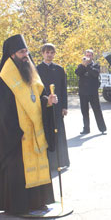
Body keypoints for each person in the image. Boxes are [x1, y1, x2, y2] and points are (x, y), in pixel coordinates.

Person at [0, 34, 58, 214]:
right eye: (21, 51)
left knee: (39, 165)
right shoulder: (4, 77)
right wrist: (16, 131)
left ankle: (38, 203)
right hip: (18, 135)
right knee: (18, 170)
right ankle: (18, 206)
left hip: (35, 130)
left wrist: (47, 101)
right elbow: (3, 108)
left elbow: (36, 98)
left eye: (26, 51)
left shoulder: (30, 70)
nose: (26, 55)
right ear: (12, 55)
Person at [37, 43, 70, 171]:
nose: (49, 55)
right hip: (44, 106)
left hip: (58, 106)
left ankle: (62, 160)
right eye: (47, 52)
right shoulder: (37, 69)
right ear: (43, 53)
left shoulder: (60, 69)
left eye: (51, 52)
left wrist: (64, 106)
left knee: (59, 132)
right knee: (47, 132)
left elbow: (63, 89)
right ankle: (49, 162)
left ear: (54, 54)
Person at [75, 49, 106, 134]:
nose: (88, 57)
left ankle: (102, 128)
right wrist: (83, 65)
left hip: (93, 92)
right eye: (87, 55)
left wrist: (88, 66)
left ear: (92, 56)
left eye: (90, 55)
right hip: (83, 92)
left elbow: (95, 74)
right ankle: (86, 129)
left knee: (97, 110)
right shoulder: (81, 65)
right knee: (84, 111)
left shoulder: (96, 65)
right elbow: (77, 73)